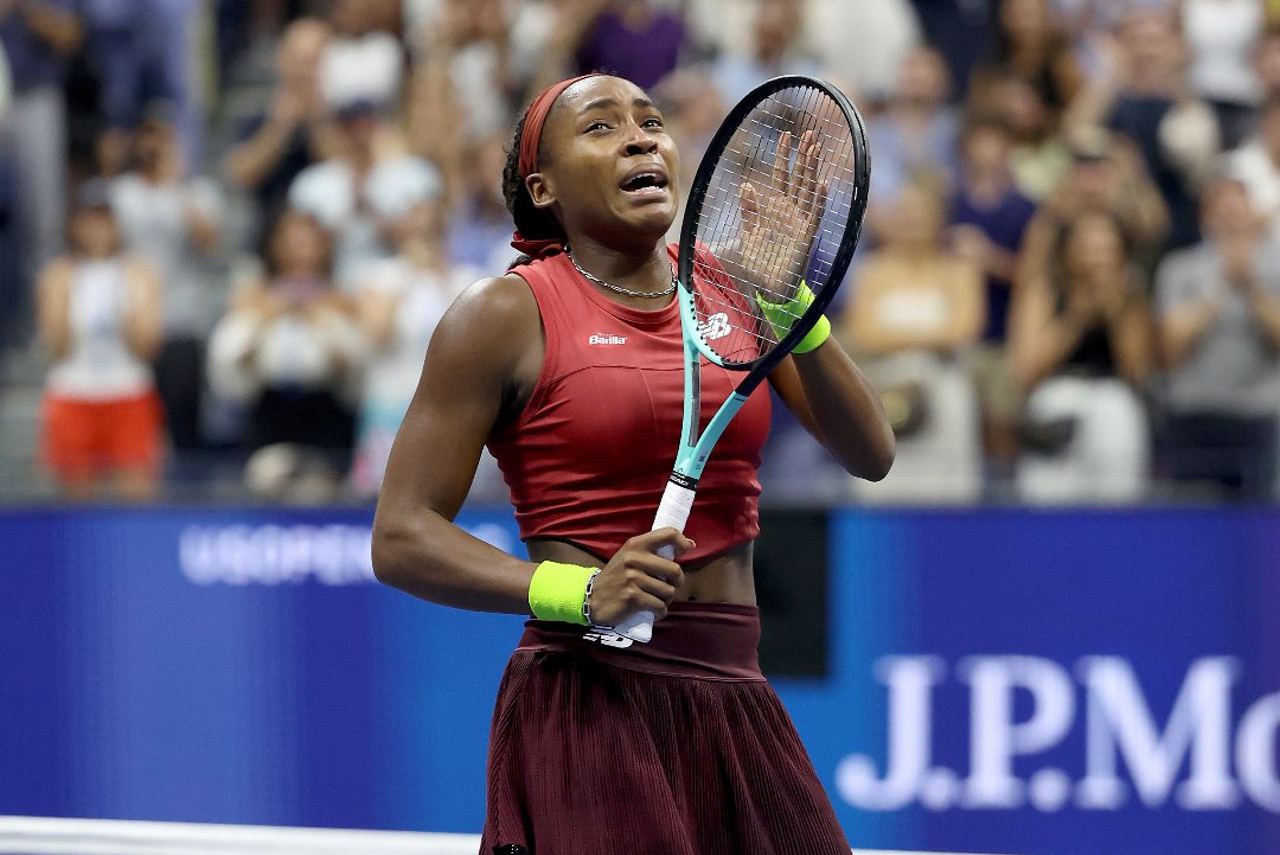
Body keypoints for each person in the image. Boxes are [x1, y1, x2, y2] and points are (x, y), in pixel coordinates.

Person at [370, 73, 894, 853]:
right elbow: (401, 536)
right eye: (603, 127)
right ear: (541, 187)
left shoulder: (733, 289)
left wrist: (792, 307)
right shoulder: (503, 314)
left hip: (736, 693)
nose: (642, 136)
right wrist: (580, 593)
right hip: (588, 701)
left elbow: (870, 453)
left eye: (651, 122)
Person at [1009, 210, 1153, 504]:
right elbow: (1026, 370)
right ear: (1067, 250)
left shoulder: (1130, 295)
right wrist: (1077, 315)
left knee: (1118, 502)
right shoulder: (1045, 290)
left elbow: (1137, 372)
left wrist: (1115, 312)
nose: (1096, 259)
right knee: (1046, 501)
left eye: (1106, 249)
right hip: (1055, 401)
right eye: (1087, 247)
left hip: (1113, 401)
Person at [1154, 175, 1280, 501]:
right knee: (1192, 518)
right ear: (1206, 217)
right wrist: (1221, 286)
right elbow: (1170, 345)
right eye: (1222, 213)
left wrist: (1250, 285)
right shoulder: (1179, 268)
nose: (1231, 221)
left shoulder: (1276, 269)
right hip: (1194, 411)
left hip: (1261, 415)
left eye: (1238, 212)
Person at [36, 184, 163, 500]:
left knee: (135, 496)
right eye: (89, 221)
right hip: (74, 393)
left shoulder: (139, 272)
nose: (97, 230)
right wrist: (66, 298)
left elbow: (146, 346)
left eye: (104, 221)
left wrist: (124, 304)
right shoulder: (58, 275)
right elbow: (57, 348)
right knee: (76, 503)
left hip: (127, 392)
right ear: (75, 225)